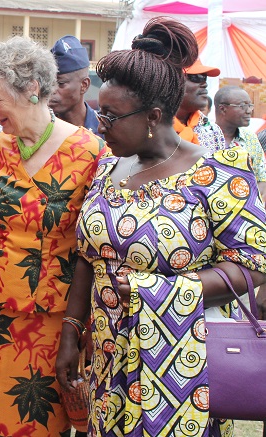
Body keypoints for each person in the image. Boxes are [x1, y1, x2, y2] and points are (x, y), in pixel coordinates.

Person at [56, 17, 266, 437]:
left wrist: (151, 291)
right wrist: (71, 332)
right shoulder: (107, 167)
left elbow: (252, 266)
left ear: (153, 115)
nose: (101, 126)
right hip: (108, 357)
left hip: (180, 366)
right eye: (100, 113)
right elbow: (88, 256)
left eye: (111, 117)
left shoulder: (219, 173)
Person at [0, 37, 105, 436]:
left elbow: (93, 250)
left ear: (31, 90)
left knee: (41, 423)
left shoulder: (91, 153)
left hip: (55, 321)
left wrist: (84, 327)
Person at [214, 86, 266, 199]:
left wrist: (251, 205)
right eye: (242, 106)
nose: (249, 111)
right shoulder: (201, 136)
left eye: (250, 105)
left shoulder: (250, 138)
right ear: (223, 109)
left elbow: (261, 178)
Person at [49, 35, 100, 134]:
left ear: (84, 85)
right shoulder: (38, 132)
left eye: (60, 83)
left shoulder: (103, 130)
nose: (51, 90)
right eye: (49, 83)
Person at [174, 59, 224, 151]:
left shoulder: (212, 131)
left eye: (204, 78)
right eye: (195, 77)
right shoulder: (151, 128)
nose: (204, 84)